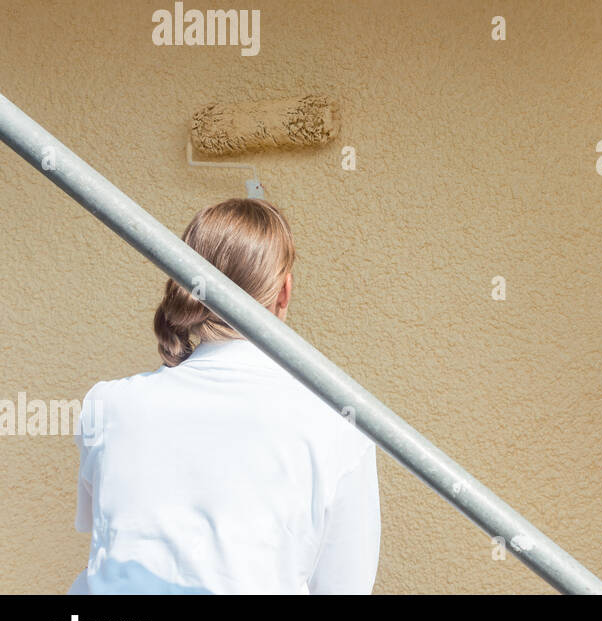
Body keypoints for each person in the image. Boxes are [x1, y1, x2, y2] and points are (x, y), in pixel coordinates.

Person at [70, 197, 380, 594]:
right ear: (284, 292)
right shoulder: (339, 423)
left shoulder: (105, 405)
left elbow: (115, 542)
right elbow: (344, 587)